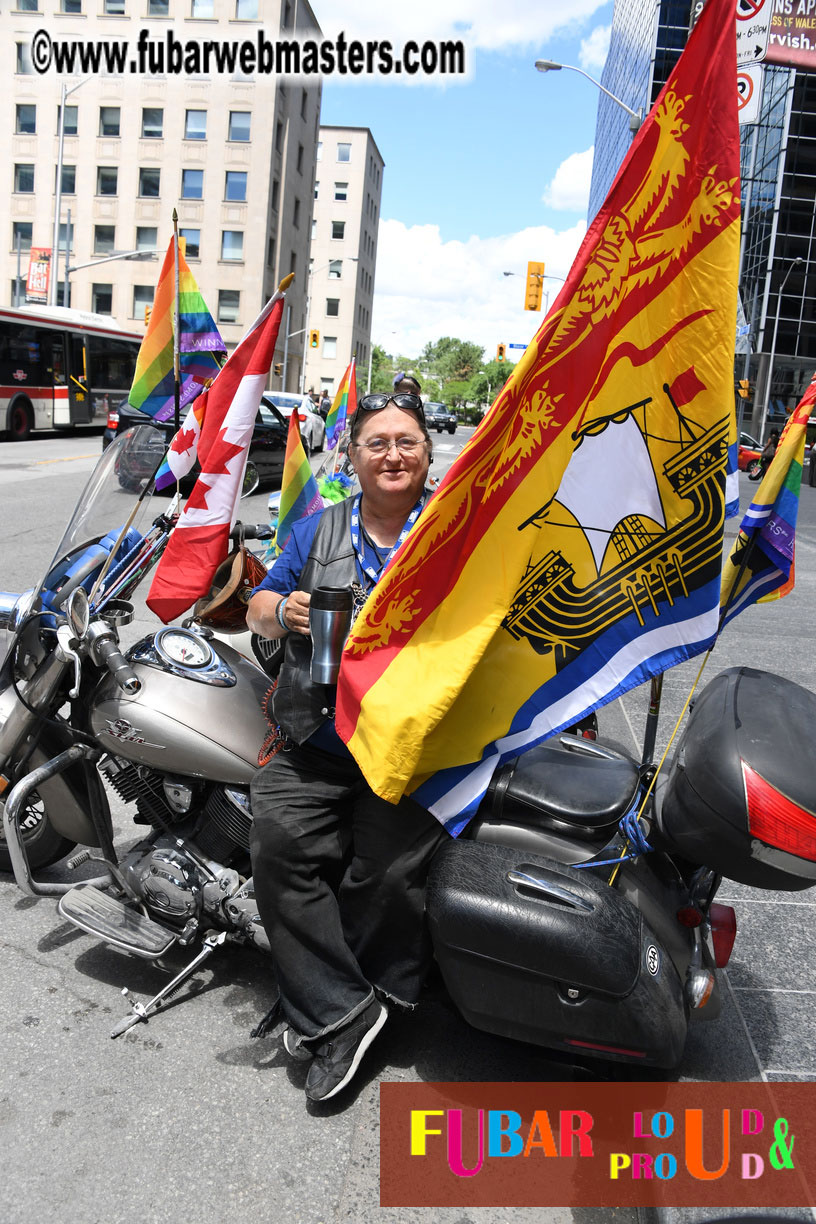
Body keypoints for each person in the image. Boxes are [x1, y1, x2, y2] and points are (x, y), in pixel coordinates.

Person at [247, 379, 445, 1103]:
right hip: (317, 738)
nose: (392, 455)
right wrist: (282, 611)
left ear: (428, 454)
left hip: (410, 748)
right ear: (353, 457)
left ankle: (361, 1001)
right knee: (277, 845)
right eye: (377, 444)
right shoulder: (318, 530)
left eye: (407, 442)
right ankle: (342, 1012)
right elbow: (258, 603)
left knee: (386, 877)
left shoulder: (454, 533)